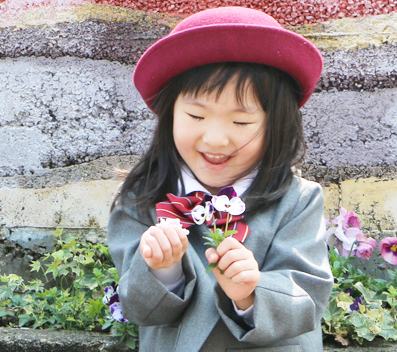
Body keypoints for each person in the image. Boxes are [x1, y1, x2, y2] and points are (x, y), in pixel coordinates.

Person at [108, 7, 333, 351]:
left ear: (277, 124)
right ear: (169, 114)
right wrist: (163, 271)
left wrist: (250, 293)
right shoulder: (140, 198)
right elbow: (138, 307)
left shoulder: (297, 200)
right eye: (196, 115)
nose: (215, 139)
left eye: (241, 122)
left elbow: (307, 299)